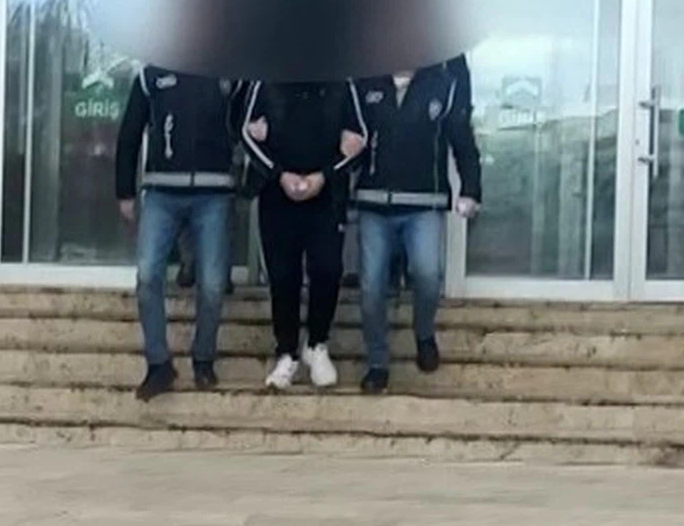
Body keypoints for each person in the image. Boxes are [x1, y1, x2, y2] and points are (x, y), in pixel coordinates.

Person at [353, 62, 481, 394]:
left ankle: (424, 333)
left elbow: (462, 140)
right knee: (371, 287)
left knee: (427, 273)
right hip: (373, 203)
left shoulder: (442, 85)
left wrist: (470, 190)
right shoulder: (367, 83)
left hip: (424, 202)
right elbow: (349, 134)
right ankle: (377, 363)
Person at [116, 67, 242, 401]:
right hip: (161, 194)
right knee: (147, 275)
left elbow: (248, 120)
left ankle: (203, 358)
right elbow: (130, 132)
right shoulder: (151, 74)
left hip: (214, 194)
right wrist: (124, 191)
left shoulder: (229, 70)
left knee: (213, 284)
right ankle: (158, 364)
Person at [240, 80, 367, 389]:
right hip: (277, 194)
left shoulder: (341, 82)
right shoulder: (265, 79)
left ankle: (316, 345)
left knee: (327, 269)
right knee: (283, 275)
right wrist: (279, 174)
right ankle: (286, 353)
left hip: (326, 196)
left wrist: (324, 176)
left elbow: (359, 138)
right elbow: (245, 133)